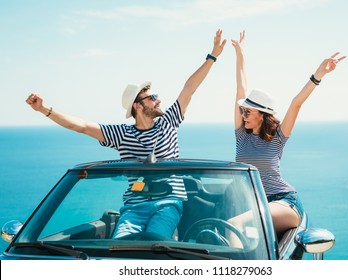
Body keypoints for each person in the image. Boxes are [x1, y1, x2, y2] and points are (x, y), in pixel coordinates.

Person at [25, 29, 227, 239]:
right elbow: (82, 126)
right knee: (119, 246)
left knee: (155, 242)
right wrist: (44, 109)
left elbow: (189, 88)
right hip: (134, 208)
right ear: (137, 107)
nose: (158, 99)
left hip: (168, 203)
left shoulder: (168, 122)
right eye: (152, 97)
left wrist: (212, 57)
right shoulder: (122, 134)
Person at [231, 31, 346, 237]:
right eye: (242, 110)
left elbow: (296, 102)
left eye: (248, 111)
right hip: (256, 202)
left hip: (283, 201)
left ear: (262, 115)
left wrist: (319, 74)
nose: (243, 114)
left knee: (238, 223)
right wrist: (240, 55)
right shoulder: (242, 136)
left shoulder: (277, 138)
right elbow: (240, 89)